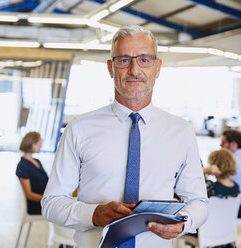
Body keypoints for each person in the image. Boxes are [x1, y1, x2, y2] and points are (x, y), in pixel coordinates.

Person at [41, 25, 208, 248]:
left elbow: (198, 202)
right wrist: (94, 214)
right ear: (110, 68)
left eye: (145, 59)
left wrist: (183, 223)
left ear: (158, 68)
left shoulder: (181, 131)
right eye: (124, 60)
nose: (134, 70)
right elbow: (52, 203)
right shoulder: (79, 128)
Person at [220, 129, 241, 219]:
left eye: (223, 142)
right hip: (235, 203)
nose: (220, 145)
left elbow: (234, 191)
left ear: (233, 144)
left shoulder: (240, 163)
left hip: (240, 208)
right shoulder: (236, 159)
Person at [16, 131, 48, 215]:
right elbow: (29, 195)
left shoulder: (37, 161)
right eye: (39, 143)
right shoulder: (22, 166)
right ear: (33, 144)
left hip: (46, 200)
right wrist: (48, 200)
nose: (41, 145)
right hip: (37, 205)